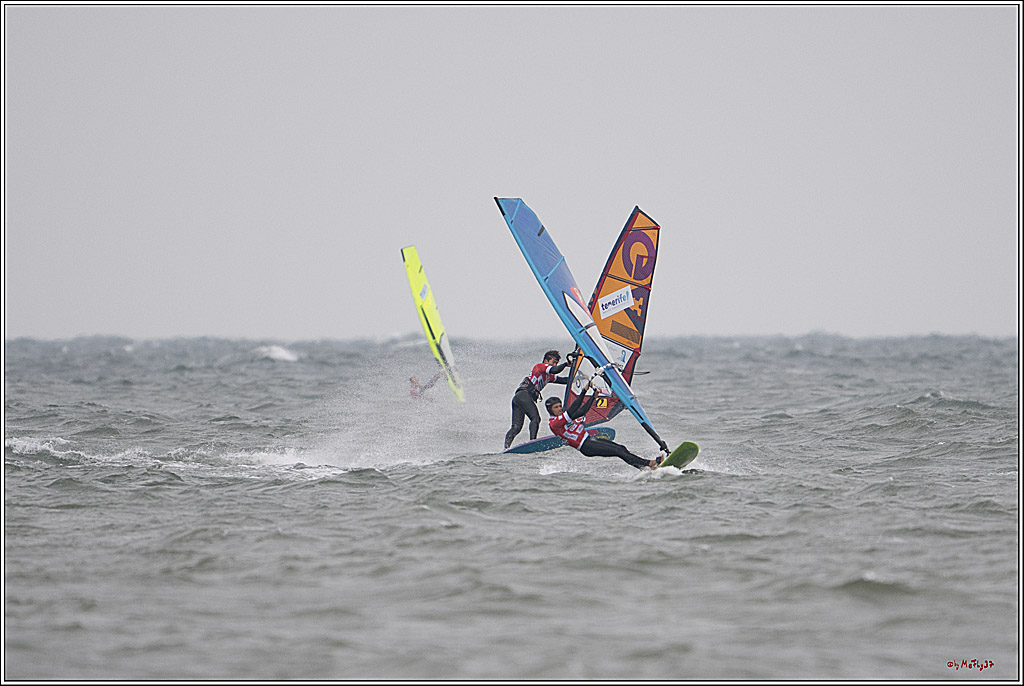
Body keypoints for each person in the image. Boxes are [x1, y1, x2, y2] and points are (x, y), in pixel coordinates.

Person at [544, 379, 662, 470]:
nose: (559, 409)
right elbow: (573, 409)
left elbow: (581, 411)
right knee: (619, 451)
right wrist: (584, 391)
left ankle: (643, 467)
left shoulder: (562, 417)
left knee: (621, 449)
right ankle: (650, 463)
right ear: (550, 410)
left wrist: (593, 397)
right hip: (585, 446)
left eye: (560, 406)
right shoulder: (555, 423)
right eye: (556, 407)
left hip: (589, 440)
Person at [503, 349, 575, 449]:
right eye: (553, 362)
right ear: (546, 361)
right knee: (535, 418)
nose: (555, 365)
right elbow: (556, 370)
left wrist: (577, 377)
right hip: (523, 395)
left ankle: (506, 448)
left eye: (556, 363)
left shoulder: (549, 377)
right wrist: (566, 364)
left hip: (519, 398)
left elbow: (563, 380)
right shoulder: (540, 367)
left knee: (516, 427)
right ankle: (532, 442)